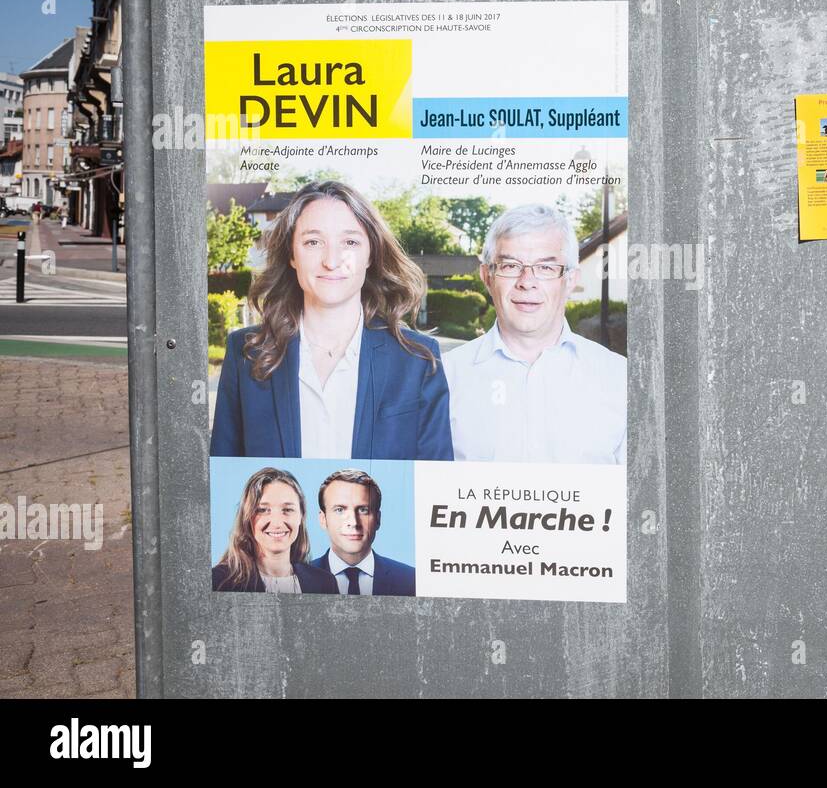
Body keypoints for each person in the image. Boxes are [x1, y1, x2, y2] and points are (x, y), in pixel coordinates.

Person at [210, 180, 453, 461]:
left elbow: (432, 488)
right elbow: (225, 483)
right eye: (313, 242)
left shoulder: (417, 359)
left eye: (350, 242)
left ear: (370, 253)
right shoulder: (246, 353)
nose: (332, 260)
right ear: (292, 255)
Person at [441, 203, 626, 464]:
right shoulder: (443, 378)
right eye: (510, 266)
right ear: (487, 275)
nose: (527, 281)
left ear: (571, 280)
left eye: (546, 268)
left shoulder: (620, 379)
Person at [212, 467, 338, 593]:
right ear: (247, 518)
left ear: (301, 516)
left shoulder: (325, 582)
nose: (277, 523)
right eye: (263, 510)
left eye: (287, 510)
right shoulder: (218, 581)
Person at [311, 469, 415, 596]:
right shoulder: (297, 578)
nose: (354, 522)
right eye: (339, 510)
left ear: (377, 519)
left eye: (363, 510)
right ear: (323, 519)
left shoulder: (410, 580)